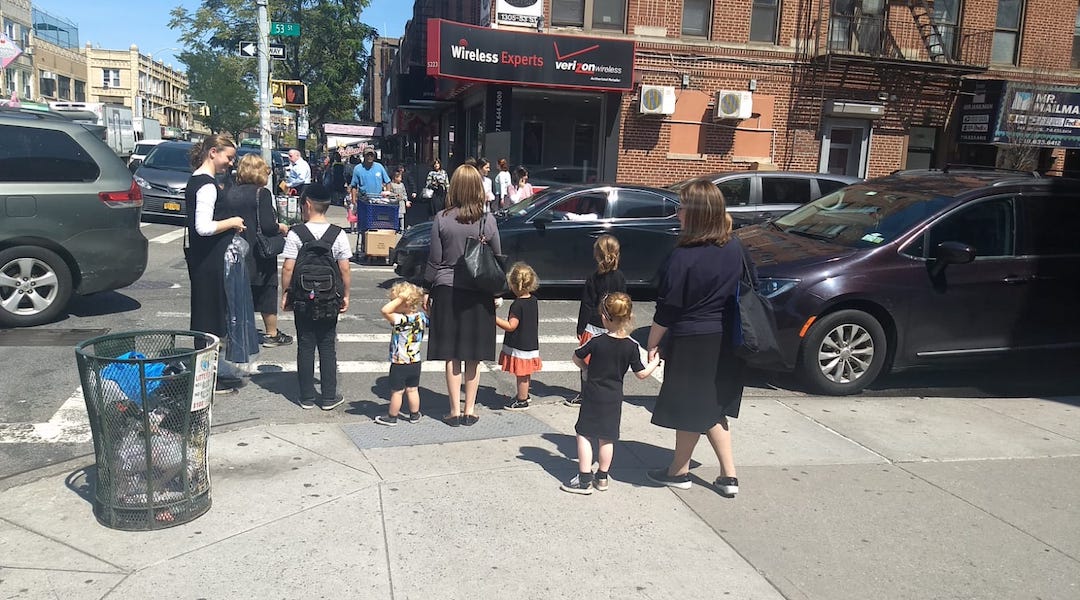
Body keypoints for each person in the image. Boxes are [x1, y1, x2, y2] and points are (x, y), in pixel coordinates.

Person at [645, 178, 746, 498]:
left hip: (691, 339)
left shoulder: (683, 255)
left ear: (698, 213)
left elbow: (668, 307)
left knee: (690, 406)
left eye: (682, 207)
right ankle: (729, 476)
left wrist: (652, 342)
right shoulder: (734, 246)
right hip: (725, 338)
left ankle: (678, 471)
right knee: (711, 404)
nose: (677, 213)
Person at [423, 164, 502, 427]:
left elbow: (435, 260)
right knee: (473, 355)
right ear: (478, 188)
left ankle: (453, 411)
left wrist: (426, 289)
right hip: (479, 291)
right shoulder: (487, 220)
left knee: (452, 354)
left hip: (446, 289)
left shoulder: (441, 218)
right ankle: (470, 410)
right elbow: (497, 258)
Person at [561, 292, 661, 494]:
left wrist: (586, 369)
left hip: (592, 395)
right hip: (614, 397)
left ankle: (583, 479)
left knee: (584, 434)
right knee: (607, 438)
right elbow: (641, 374)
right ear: (628, 317)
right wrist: (655, 363)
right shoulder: (631, 346)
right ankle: (602, 477)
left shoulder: (596, 341)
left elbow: (576, 356)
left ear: (605, 318)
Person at [280, 184, 352, 411]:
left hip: (303, 298)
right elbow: (345, 269)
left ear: (308, 205)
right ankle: (329, 396)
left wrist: (286, 293)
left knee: (305, 344)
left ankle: (307, 397)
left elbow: (288, 268)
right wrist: (346, 295)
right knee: (328, 345)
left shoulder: (296, 233)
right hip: (330, 298)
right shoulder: (337, 234)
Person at [184, 134, 244, 392]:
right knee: (209, 318)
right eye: (228, 157)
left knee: (207, 316)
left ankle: (209, 373)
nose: (230, 163)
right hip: (209, 262)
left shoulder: (198, 181)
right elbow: (203, 227)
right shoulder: (206, 185)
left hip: (204, 260)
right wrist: (232, 222)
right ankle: (206, 377)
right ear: (213, 153)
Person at [227, 153, 293, 348]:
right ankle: (271, 334)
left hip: (237, 249)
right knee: (267, 291)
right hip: (259, 251)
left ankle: (237, 332)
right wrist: (280, 227)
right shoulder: (261, 194)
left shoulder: (231, 192)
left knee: (239, 291)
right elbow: (266, 226)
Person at [567, 235, 627, 407]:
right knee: (607, 363)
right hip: (613, 325)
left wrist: (580, 327)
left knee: (586, 361)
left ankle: (584, 394)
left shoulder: (594, 277)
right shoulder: (620, 277)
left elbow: (587, 303)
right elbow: (624, 302)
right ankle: (604, 393)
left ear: (598, 255)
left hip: (593, 324)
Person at [375, 282, 429, 426]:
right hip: (415, 361)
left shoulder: (400, 319)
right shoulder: (421, 318)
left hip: (399, 362)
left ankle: (392, 416)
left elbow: (385, 311)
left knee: (397, 392)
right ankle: (414, 414)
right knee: (412, 390)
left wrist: (401, 298)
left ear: (404, 303)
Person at [496, 262, 542, 411]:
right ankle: (525, 394)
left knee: (521, 374)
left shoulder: (517, 305)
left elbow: (511, 326)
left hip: (520, 344)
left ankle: (522, 400)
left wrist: (493, 318)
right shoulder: (533, 300)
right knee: (526, 373)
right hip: (530, 342)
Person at [349, 149, 392, 229]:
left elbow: (388, 181)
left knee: (377, 223)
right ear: (364, 156)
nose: (370, 157)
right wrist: (353, 200)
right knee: (364, 224)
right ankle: (364, 239)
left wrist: (387, 195)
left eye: (371, 155)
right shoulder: (358, 169)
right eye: (367, 155)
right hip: (364, 200)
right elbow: (354, 186)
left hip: (378, 200)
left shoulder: (379, 167)